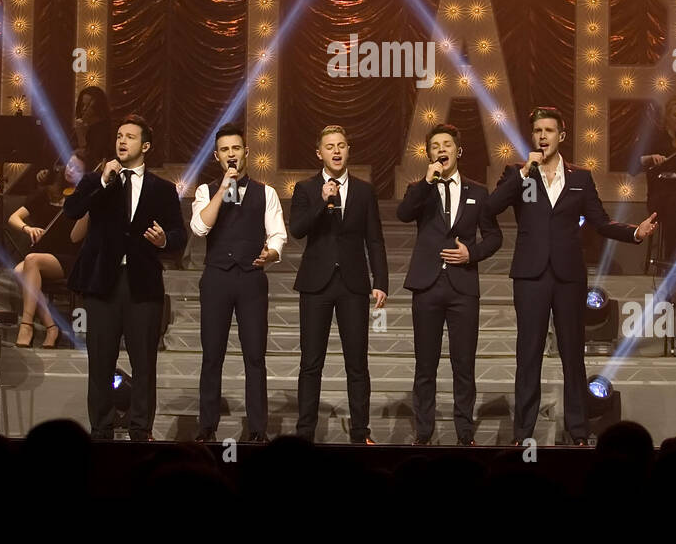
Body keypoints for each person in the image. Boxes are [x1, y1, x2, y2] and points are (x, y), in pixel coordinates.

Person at [487, 107, 657, 445]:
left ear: (561, 136)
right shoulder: (517, 173)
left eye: (549, 130)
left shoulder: (580, 177)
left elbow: (601, 221)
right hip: (530, 275)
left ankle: (578, 431)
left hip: (568, 276)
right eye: (537, 130)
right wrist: (523, 173)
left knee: (572, 354)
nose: (542, 136)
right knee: (529, 353)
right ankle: (523, 433)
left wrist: (635, 232)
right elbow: (491, 207)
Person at [63, 115, 186, 440]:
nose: (122, 141)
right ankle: (101, 431)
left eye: (130, 137)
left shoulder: (163, 189)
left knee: (144, 363)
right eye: (119, 135)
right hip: (102, 283)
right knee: (101, 362)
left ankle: (140, 430)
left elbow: (179, 236)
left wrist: (164, 241)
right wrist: (103, 182)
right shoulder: (97, 180)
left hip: (142, 285)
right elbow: (72, 210)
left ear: (145, 145)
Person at [396, 123, 502, 446]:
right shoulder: (420, 188)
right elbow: (403, 213)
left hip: (462, 288)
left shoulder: (478, 192)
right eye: (434, 147)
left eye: (446, 145)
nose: (441, 150)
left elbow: (495, 237)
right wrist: (428, 181)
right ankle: (424, 433)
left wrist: (472, 253)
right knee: (425, 365)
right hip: (427, 286)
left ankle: (464, 432)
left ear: (458, 150)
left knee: (463, 364)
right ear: (428, 154)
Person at [288, 125, 388, 443]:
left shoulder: (363, 190)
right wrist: (322, 201)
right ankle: (305, 434)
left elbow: (374, 239)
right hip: (316, 284)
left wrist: (381, 281)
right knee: (311, 362)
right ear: (319, 153)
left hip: (353, 284)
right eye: (329, 146)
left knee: (357, 362)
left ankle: (360, 432)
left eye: (341, 145)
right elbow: (298, 230)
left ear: (348, 150)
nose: (336, 151)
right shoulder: (305, 188)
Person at [189, 123, 287, 442]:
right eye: (225, 150)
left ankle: (258, 428)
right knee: (212, 354)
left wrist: (271, 254)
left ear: (246, 152)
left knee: (255, 356)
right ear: (217, 156)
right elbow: (200, 229)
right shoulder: (206, 191)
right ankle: (207, 426)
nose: (231, 154)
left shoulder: (266, 192)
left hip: (251, 279)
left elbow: (277, 234)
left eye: (236, 148)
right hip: (216, 277)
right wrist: (222, 189)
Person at [8, 153, 89, 348]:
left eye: (77, 169)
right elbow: (13, 218)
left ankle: (26, 325)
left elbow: (75, 238)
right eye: (69, 166)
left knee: (31, 261)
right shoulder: (45, 193)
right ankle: (51, 326)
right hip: (39, 255)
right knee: (19, 272)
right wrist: (28, 229)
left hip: (68, 258)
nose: (70, 171)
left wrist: (87, 202)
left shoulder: (83, 200)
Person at [631, 96, 676, 263]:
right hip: (660, 199)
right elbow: (633, 167)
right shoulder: (655, 139)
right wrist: (650, 157)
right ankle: (672, 260)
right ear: (667, 117)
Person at [72, 85, 116, 166]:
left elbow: (91, 162)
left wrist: (81, 137)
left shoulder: (107, 131)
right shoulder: (81, 127)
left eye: (88, 105)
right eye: (82, 105)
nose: (84, 109)